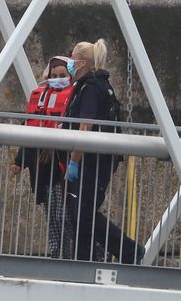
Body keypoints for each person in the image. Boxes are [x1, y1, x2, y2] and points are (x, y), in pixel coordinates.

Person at [62, 38, 143, 264]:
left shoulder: (90, 88)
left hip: (91, 161)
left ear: (84, 62)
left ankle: (129, 250)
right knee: (79, 215)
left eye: (73, 57)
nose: (70, 61)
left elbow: (85, 126)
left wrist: (74, 161)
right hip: (99, 160)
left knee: (84, 214)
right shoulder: (101, 86)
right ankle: (83, 260)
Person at [10, 56, 76, 259]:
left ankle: (76, 253)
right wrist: (19, 162)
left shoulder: (73, 98)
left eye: (62, 75)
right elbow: (28, 130)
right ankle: (58, 254)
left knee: (63, 215)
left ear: (70, 76)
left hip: (62, 168)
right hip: (42, 168)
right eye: (54, 76)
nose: (57, 79)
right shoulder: (41, 97)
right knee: (52, 217)